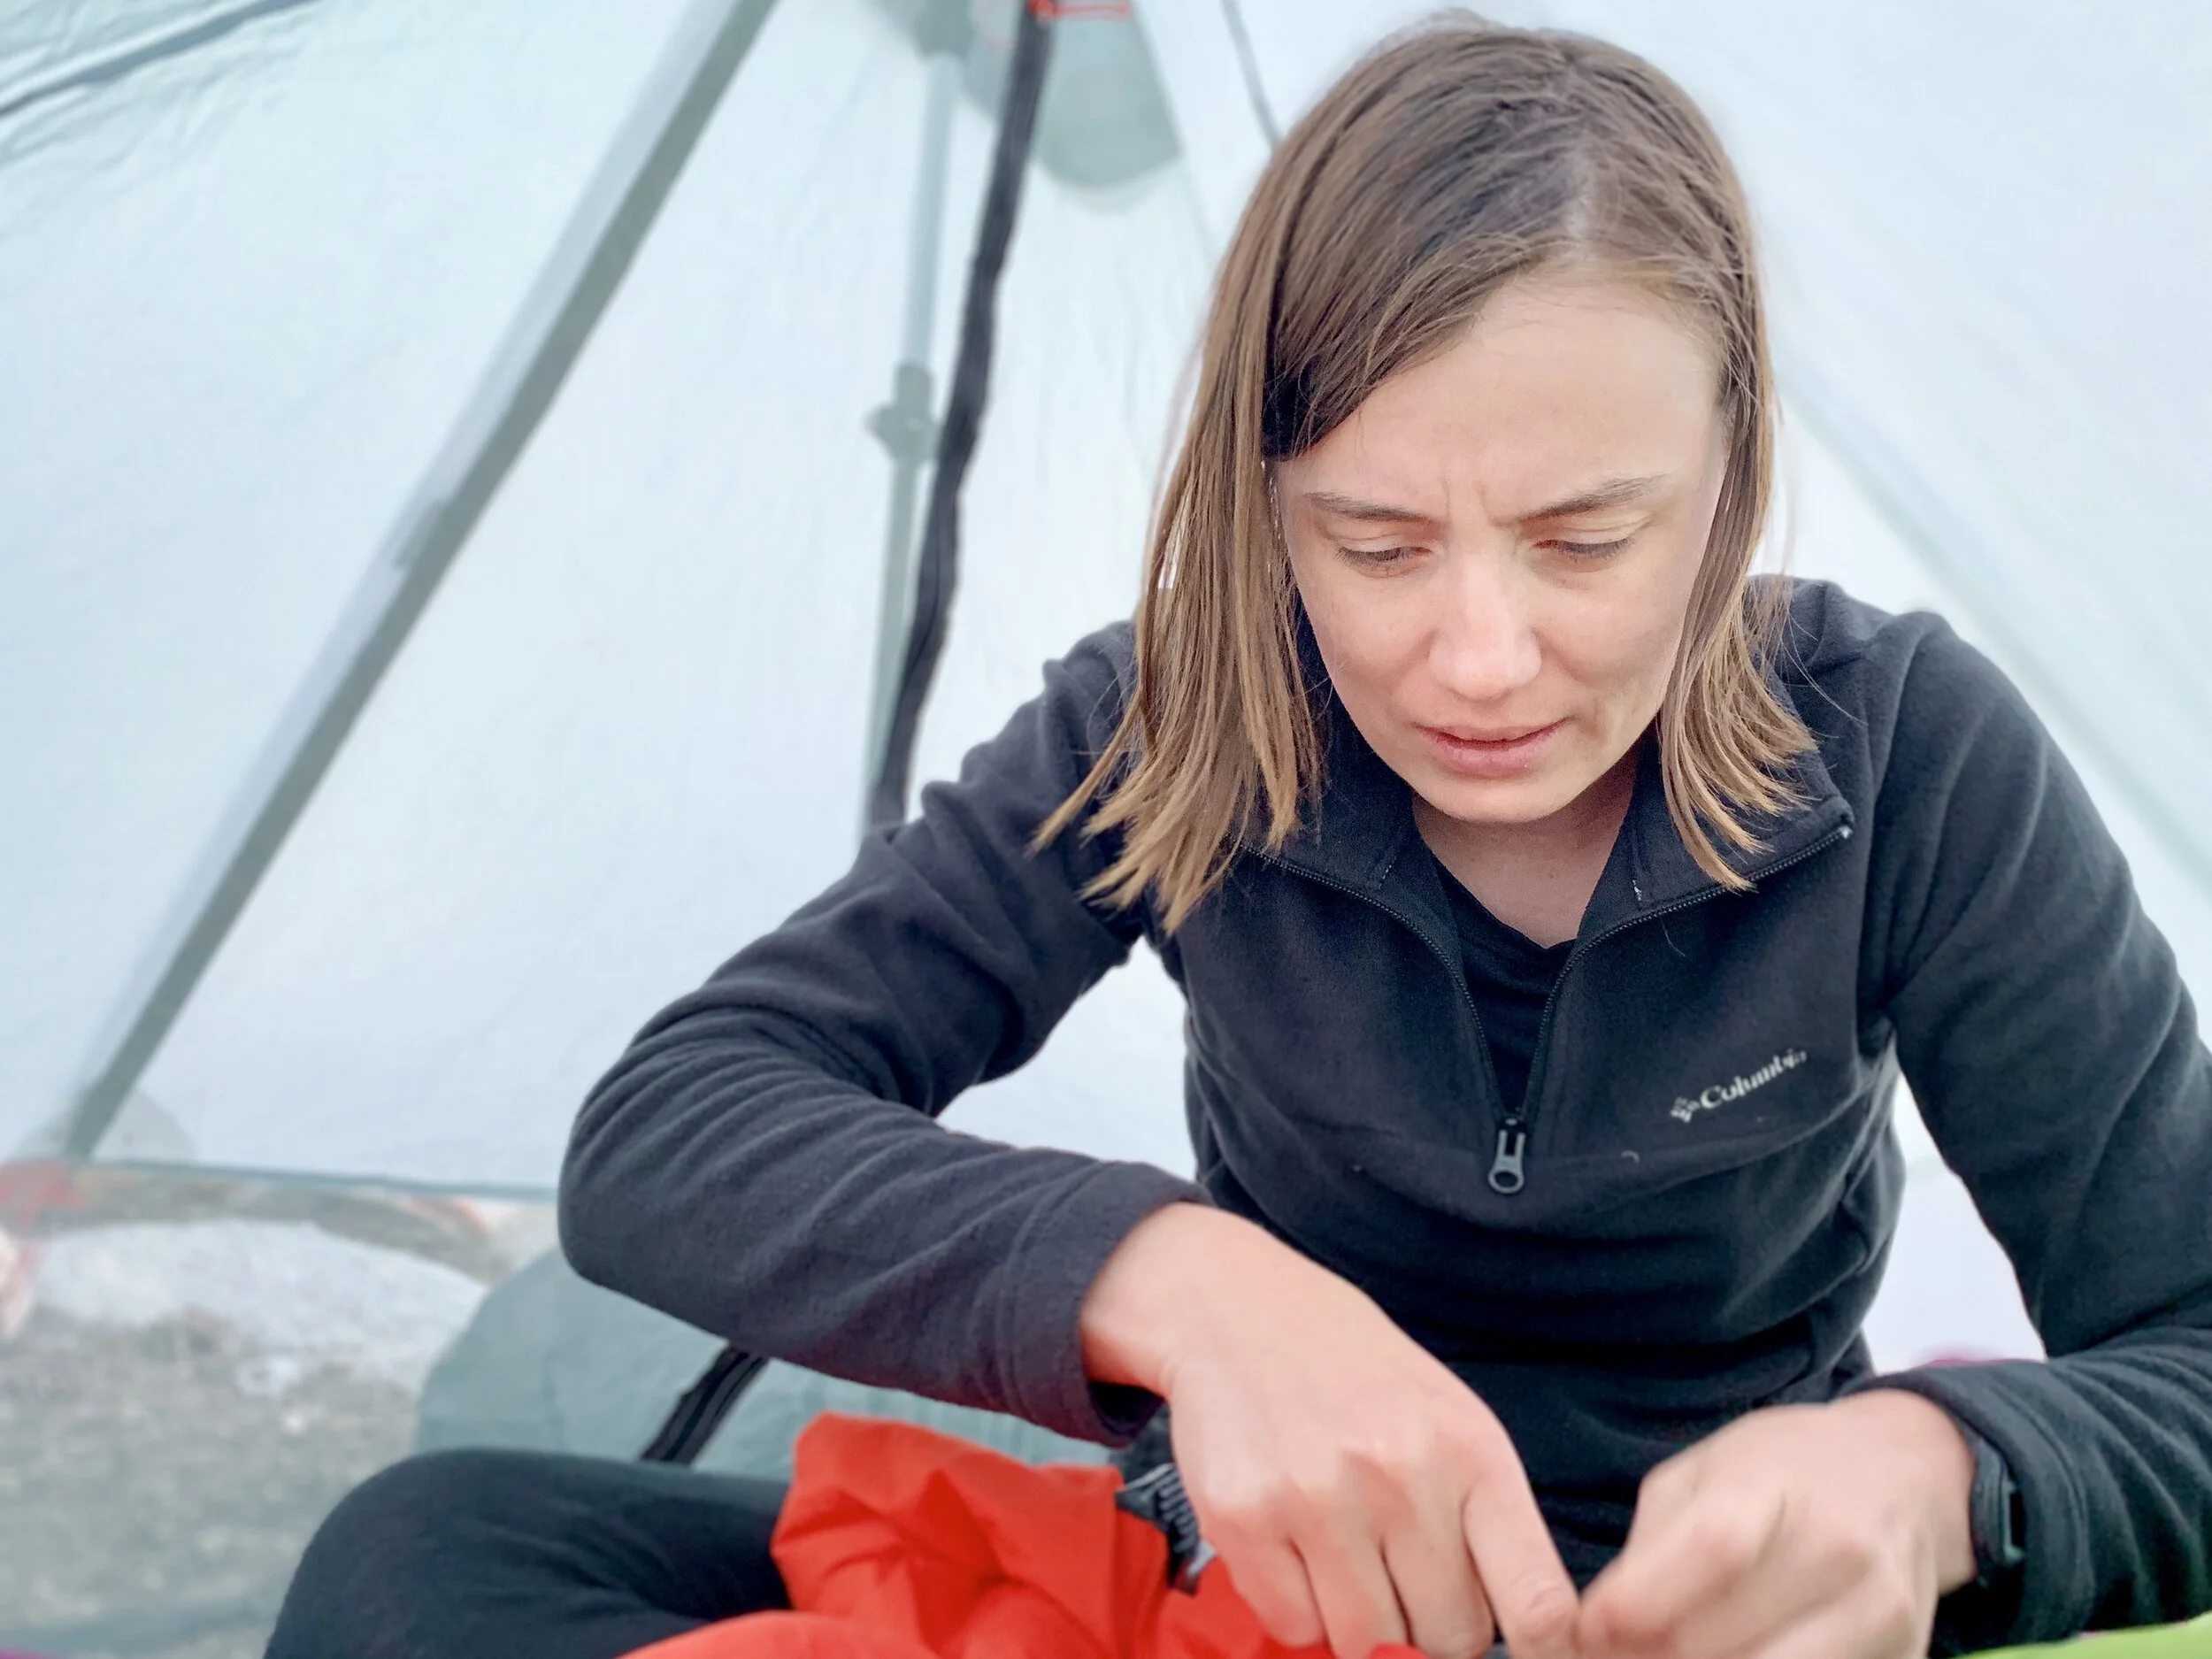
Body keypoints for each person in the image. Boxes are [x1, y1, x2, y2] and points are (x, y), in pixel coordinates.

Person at [269, 16, 2212, 1659]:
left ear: (1726, 480)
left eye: (1581, 540)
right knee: (434, 1552)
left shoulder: (1902, 758)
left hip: (1679, 1619)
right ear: (1262, 502)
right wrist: (1178, 1281)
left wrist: (1942, 1468)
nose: (1475, 657)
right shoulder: (1189, 715)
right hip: (1249, 1594)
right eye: (1370, 543)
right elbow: (669, 1130)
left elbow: (2189, 1342)